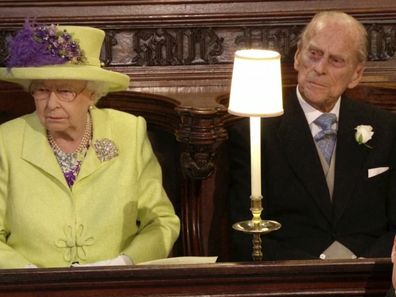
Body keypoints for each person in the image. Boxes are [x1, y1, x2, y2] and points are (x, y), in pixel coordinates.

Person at [0, 20, 180, 268]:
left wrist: (123, 263)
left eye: (65, 91)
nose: (51, 103)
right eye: (41, 90)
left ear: (93, 94)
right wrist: (32, 278)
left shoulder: (129, 132)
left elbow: (161, 221)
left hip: (115, 287)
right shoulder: (6, 140)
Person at [228, 11, 396, 261]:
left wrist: (364, 265)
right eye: (314, 54)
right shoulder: (254, 132)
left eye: (336, 60)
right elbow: (244, 232)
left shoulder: (385, 128)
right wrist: (313, 272)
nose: (319, 68)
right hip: (293, 276)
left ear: (356, 74)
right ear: (297, 57)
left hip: (374, 275)